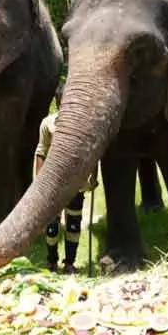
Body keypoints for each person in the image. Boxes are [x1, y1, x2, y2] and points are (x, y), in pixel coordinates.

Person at [35, 83, 97, 273]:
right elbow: (41, 151)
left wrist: (93, 177)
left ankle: (69, 262)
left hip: (76, 184)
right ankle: (51, 261)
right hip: (54, 184)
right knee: (52, 224)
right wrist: (40, 182)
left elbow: (92, 152)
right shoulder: (48, 124)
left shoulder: (84, 124)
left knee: (73, 223)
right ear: (58, 101)